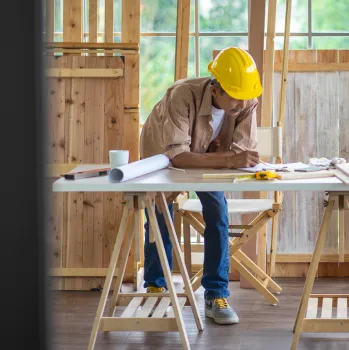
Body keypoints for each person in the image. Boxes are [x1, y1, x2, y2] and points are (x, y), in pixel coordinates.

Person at [140, 47, 263, 325]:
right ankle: (156, 286)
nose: (242, 104)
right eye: (234, 97)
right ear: (215, 88)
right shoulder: (182, 95)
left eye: (245, 98)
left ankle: (216, 295)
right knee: (160, 212)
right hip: (163, 154)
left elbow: (240, 153)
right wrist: (227, 158)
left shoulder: (244, 101)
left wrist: (230, 125)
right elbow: (179, 155)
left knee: (218, 211)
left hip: (208, 157)